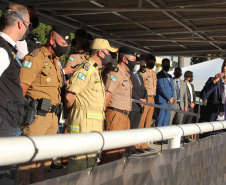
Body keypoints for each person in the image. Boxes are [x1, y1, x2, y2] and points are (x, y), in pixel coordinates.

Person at [16, 25, 71, 184]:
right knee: (29, 161)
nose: (65, 47)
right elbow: (22, 87)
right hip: (37, 117)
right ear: (52, 40)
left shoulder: (55, 61)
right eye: (63, 43)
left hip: (53, 118)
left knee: (44, 164)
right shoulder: (36, 56)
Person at [65, 38, 117, 173]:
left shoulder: (96, 71)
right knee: (79, 165)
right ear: (100, 53)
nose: (110, 56)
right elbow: (69, 96)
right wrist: (73, 114)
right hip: (83, 125)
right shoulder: (86, 69)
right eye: (108, 52)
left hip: (92, 127)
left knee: (90, 165)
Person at [0, 4, 30, 137]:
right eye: (28, 24)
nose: (28, 28)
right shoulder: (2, 49)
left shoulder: (7, 48)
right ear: (20, 24)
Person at [100, 46, 133, 164]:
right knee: (110, 154)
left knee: (119, 153)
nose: (135, 63)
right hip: (115, 116)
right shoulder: (115, 74)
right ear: (125, 59)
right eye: (133, 59)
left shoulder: (126, 74)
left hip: (124, 116)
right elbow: (106, 96)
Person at [199, 60, 226, 137]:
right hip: (211, 123)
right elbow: (203, 96)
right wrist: (214, 81)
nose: (224, 68)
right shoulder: (213, 80)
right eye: (223, 65)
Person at [127, 56, 147, 154]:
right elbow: (131, 90)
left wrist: (145, 99)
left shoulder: (140, 76)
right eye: (137, 63)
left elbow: (144, 89)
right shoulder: (128, 74)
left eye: (139, 64)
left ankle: (132, 147)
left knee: (135, 128)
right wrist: (139, 100)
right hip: (133, 105)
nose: (138, 66)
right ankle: (127, 148)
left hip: (140, 106)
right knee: (130, 128)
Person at [137, 54, 157, 152]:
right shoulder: (142, 72)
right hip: (145, 98)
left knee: (148, 122)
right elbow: (139, 85)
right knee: (141, 121)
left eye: (153, 61)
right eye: (151, 61)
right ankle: (137, 145)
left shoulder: (153, 73)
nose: (152, 63)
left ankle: (144, 144)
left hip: (152, 98)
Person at [155, 58, 175, 129]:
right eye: (166, 64)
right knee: (160, 120)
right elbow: (161, 88)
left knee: (166, 121)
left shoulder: (170, 76)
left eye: (168, 64)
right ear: (162, 65)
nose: (167, 66)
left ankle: (164, 139)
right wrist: (168, 98)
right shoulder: (159, 75)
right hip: (162, 101)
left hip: (169, 102)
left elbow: (172, 88)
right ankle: (157, 138)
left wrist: (172, 97)